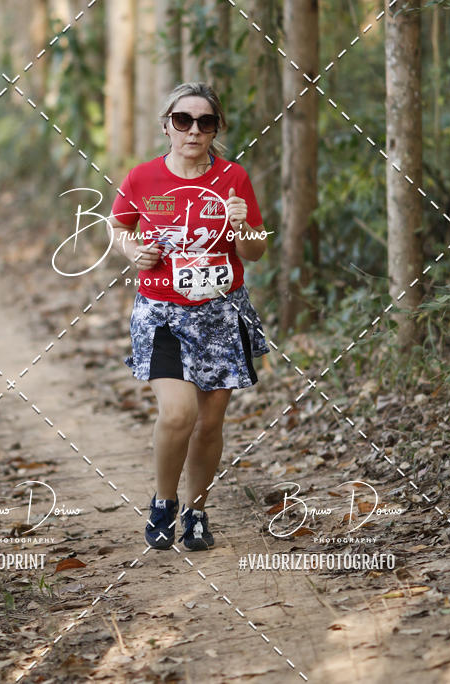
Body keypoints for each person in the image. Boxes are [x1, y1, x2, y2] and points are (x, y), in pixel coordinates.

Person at [110, 82, 269, 551]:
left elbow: (255, 251)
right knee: (178, 413)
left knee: (209, 424)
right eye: (183, 120)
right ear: (167, 126)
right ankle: (164, 501)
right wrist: (133, 251)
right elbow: (118, 225)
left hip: (221, 312)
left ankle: (196, 512)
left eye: (205, 122)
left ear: (216, 128)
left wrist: (242, 225)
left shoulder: (234, 178)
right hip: (162, 312)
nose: (193, 130)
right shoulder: (143, 178)